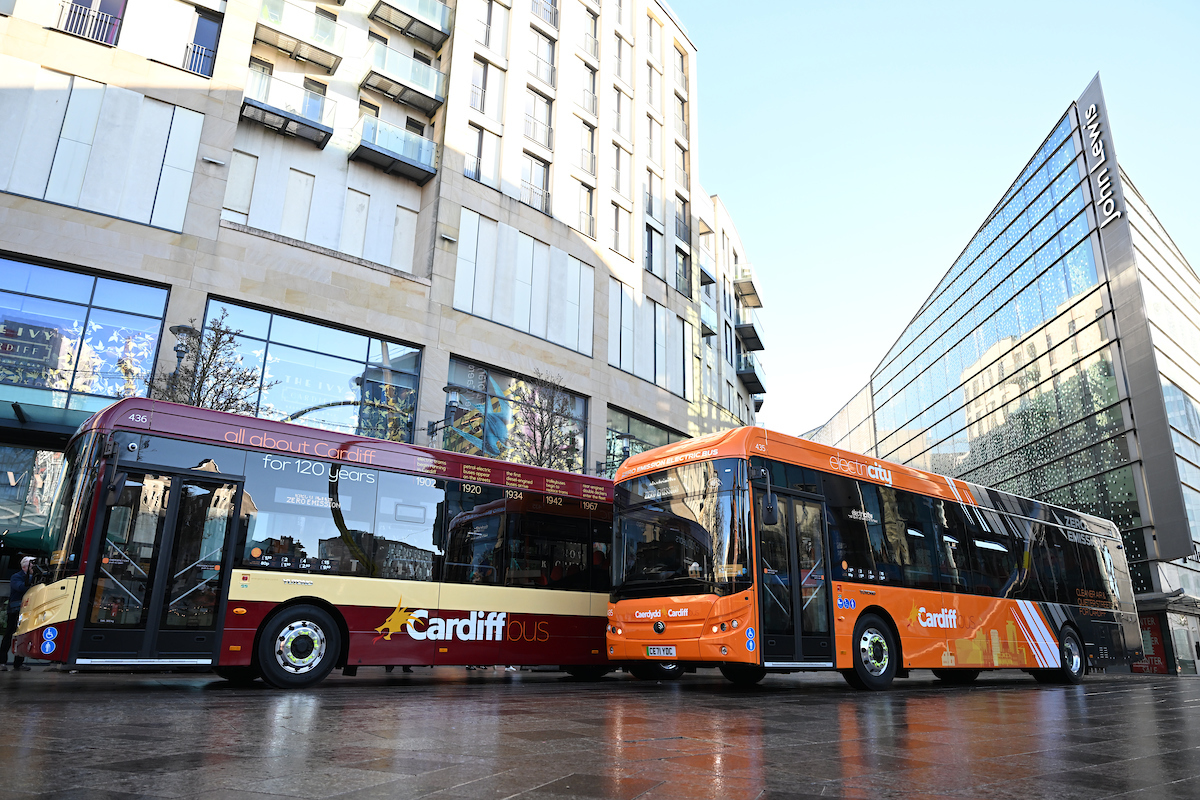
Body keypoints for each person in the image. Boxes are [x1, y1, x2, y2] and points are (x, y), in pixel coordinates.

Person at [2, 556, 35, 672]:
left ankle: (18, 663)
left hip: (26, 610)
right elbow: (20, 587)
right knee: (9, 634)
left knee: (22, 635)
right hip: (15, 610)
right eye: (32, 566)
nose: (33, 568)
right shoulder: (16, 577)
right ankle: (2, 661)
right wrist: (31, 581)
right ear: (25, 567)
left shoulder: (31, 577)